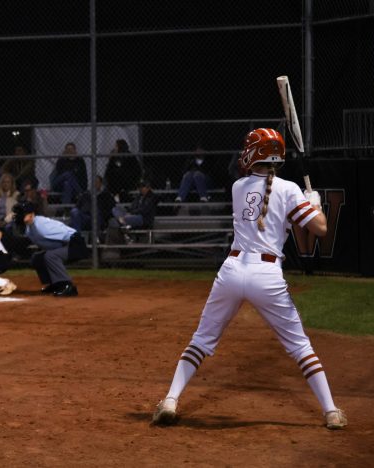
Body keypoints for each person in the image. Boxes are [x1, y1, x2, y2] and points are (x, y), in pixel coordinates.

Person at [152, 128, 347, 430]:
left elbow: (267, 200)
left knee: (201, 340)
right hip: (266, 275)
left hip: (230, 271)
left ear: (255, 154)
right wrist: (314, 203)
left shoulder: (238, 186)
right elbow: (320, 228)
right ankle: (331, 411)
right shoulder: (288, 188)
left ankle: (170, 400)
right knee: (299, 346)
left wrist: (303, 201)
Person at [12, 201, 89, 297]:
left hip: (76, 244)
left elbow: (68, 236)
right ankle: (54, 284)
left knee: (50, 256)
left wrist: (58, 252)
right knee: (37, 258)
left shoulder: (41, 226)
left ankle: (67, 286)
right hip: (69, 245)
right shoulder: (30, 228)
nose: (19, 216)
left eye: (22, 213)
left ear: (31, 214)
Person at [106, 179, 159, 244]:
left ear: (148, 187)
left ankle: (123, 230)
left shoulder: (152, 197)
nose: (141, 189)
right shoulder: (139, 196)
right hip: (132, 215)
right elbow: (132, 207)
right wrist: (128, 211)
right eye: (140, 187)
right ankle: (123, 223)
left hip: (142, 218)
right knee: (115, 209)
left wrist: (131, 213)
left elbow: (144, 210)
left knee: (113, 221)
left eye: (143, 187)